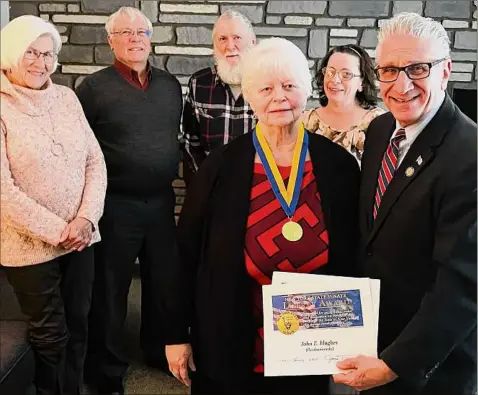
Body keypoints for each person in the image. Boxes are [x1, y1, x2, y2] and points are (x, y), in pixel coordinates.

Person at [162, 37, 361, 395]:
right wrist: (176, 334)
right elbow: (184, 252)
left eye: (288, 86)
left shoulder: (339, 166)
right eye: (266, 88)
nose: (278, 97)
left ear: (305, 90)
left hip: (311, 344)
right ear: (251, 96)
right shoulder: (219, 167)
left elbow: (358, 253)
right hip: (231, 336)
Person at [333, 12, 477, 395]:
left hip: (430, 368)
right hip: (375, 344)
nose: (401, 85)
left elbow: (464, 286)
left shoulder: (471, 154)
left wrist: (395, 364)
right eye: (389, 70)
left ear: (445, 71)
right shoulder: (381, 129)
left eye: (417, 69)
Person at [75, 6, 182, 395]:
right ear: (110, 40)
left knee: (163, 284)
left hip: (160, 202)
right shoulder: (92, 89)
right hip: (114, 205)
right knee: (110, 290)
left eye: (141, 31)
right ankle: (105, 371)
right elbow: (81, 151)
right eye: (125, 32)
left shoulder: (170, 85)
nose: (135, 38)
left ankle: (158, 352)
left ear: (150, 37)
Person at [0, 15, 107, 395]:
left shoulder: (66, 97)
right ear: (11, 53)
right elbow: (3, 191)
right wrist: (57, 232)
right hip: (28, 246)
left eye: (48, 55)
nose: (40, 63)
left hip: (81, 238)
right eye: (31, 52)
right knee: (51, 335)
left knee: (78, 324)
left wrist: (85, 219)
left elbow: (95, 161)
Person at [181, 10, 257, 184]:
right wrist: (204, 187)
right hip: (211, 193)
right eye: (222, 39)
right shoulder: (198, 84)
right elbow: (191, 143)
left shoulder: (269, 84)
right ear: (214, 45)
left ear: (253, 42)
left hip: (259, 195)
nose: (230, 46)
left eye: (237, 37)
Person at [302, 45, 385, 163]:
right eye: (330, 72)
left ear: (362, 82)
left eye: (346, 74)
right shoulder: (304, 121)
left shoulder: (379, 122)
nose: (335, 80)